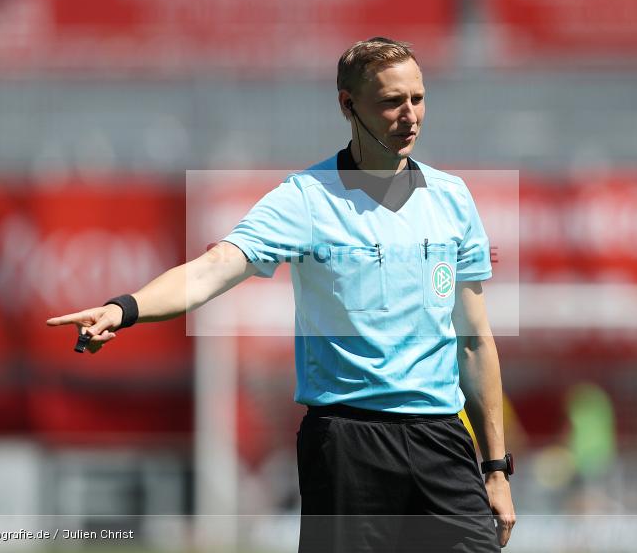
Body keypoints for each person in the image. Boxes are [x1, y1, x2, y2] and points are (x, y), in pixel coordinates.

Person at [47, 37, 516, 552]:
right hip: (348, 442)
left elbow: (474, 341)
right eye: (390, 102)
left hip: (442, 440)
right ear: (348, 104)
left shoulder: (453, 199)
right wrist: (125, 307)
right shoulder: (306, 198)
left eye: (418, 99)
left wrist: (495, 469)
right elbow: (213, 268)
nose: (409, 115)